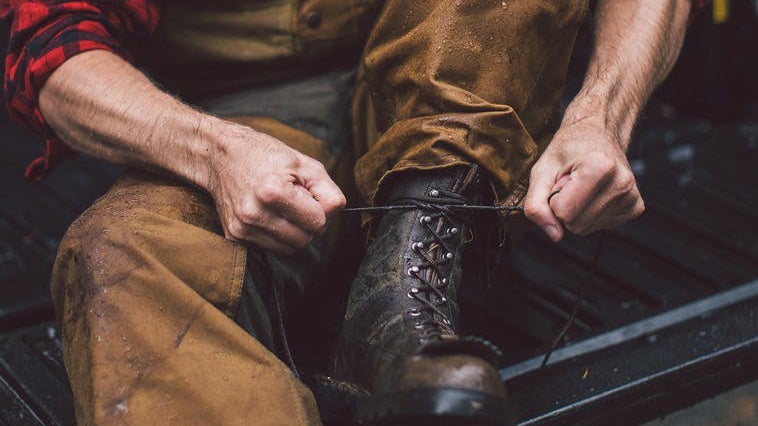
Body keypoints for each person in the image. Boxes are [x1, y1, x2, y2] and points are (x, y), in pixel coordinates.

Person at [0, 0, 696, 424]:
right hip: (235, 117)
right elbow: (44, 39)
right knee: (124, 253)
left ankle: (401, 291)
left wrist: (601, 115)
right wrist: (212, 151)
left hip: (456, 92)